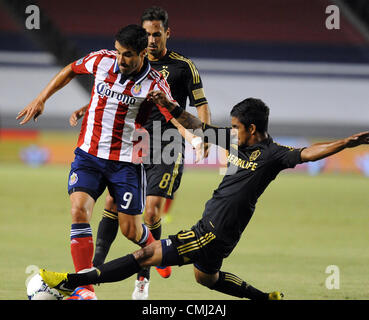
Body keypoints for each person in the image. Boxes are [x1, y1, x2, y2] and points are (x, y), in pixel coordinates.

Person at [39, 92, 369, 300]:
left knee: (145, 256)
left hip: (209, 233)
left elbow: (309, 152)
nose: (232, 130)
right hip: (223, 233)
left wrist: (347, 142)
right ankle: (265, 298)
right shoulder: (239, 142)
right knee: (205, 278)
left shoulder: (274, 155)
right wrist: (171, 108)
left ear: (252, 129)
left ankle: (71, 281)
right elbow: (198, 127)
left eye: (237, 126)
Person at [16, 25, 190, 295]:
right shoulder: (102, 60)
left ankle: (156, 249)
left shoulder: (155, 84)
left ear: (143, 53)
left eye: (128, 55)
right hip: (89, 155)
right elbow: (71, 69)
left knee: (131, 231)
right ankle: (85, 290)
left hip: (126, 164)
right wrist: (42, 98)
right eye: (119, 52)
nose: (120, 60)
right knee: (78, 211)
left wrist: (192, 138)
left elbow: (174, 115)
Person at [69, 6, 212, 299]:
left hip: (168, 144)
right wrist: (88, 108)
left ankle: (145, 273)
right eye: (146, 34)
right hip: (133, 141)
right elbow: (113, 97)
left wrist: (201, 135)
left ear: (167, 33)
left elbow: (197, 105)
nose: (150, 40)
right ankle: (93, 273)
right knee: (112, 204)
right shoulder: (129, 63)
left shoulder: (183, 67)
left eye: (156, 34)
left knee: (151, 211)